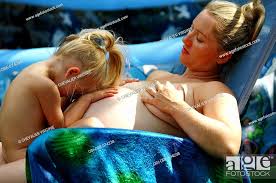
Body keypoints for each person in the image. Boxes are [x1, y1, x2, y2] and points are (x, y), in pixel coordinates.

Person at [81, 0, 265, 158]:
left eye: (199, 39)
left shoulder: (213, 90)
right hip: (76, 130)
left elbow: (229, 145)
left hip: (96, 148)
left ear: (223, 56)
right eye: (191, 29)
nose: (186, 40)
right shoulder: (158, 75)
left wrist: (176, 107)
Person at [0, 29, 126, 163]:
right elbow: (61, 129)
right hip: (23, 157)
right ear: (72, 73)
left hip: (10, 153)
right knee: (90, 124)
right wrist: (86, 99)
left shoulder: (35, 70)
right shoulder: (47, 86)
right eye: (77, 91)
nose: (74, 96)